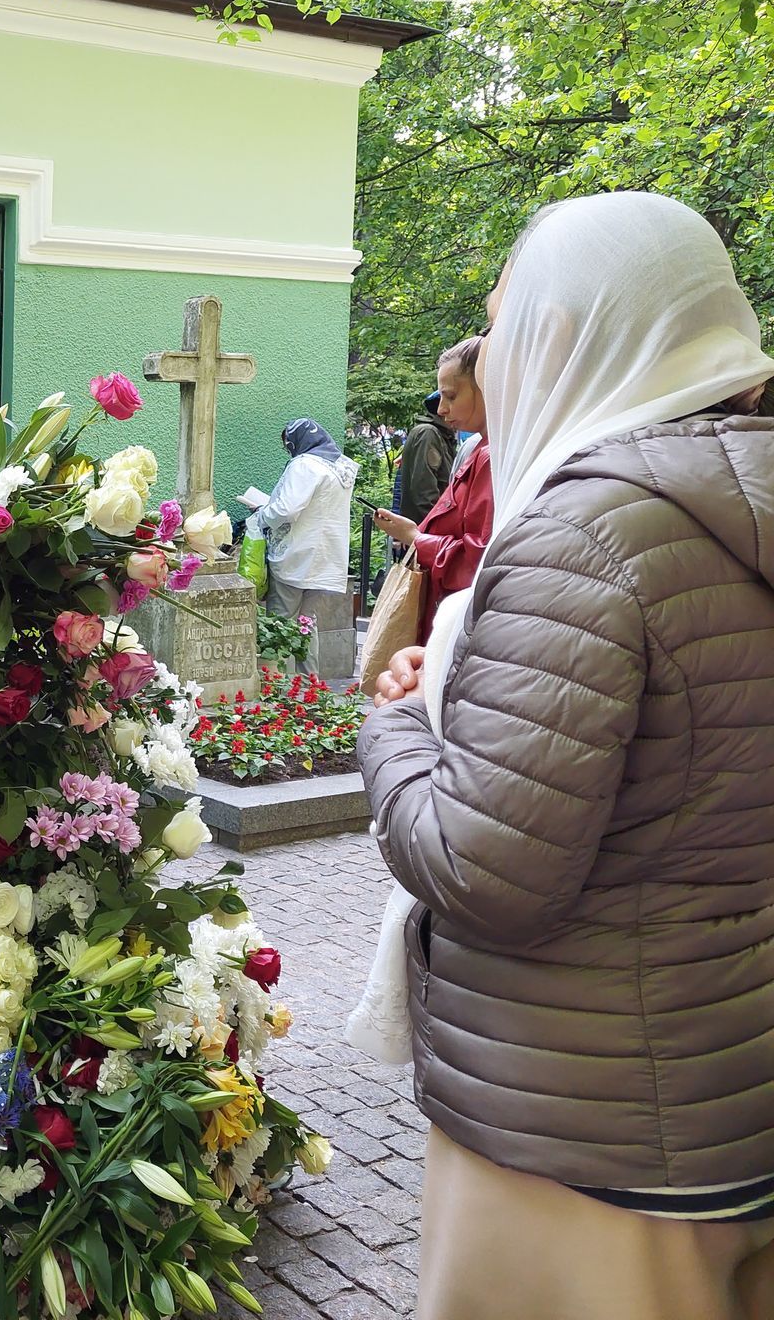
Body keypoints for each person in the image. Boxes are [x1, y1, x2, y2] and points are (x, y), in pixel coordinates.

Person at [360, 191, 774, 1319]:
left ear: (570, 330)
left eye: (507, 321)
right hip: (733, 1099)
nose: (491, 353)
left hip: (583, 1140)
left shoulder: (587, 538)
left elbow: (485, 869)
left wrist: (392, 724)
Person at [373, 336, 493, 645]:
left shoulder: (491, 455)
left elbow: (477, 560)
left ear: (487, 385)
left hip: (459, 620)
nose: (441, 408)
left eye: (451, 396)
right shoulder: (480, 447)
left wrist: (417, 538)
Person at [245, 419, 358, 673]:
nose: (289, 449)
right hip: (326, 558)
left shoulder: (305, 465)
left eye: (288, 444)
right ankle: (309, 686)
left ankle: (280, 686)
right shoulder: (339, 467)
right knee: (308, 624)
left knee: (280, 623)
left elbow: (287, 509)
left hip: (295, 555)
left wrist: (262, 514)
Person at [392, 391, 456, 521]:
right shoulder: (428, 434)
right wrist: (440, 526)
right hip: (425, 531)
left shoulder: (442, 436)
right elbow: (424, 493)